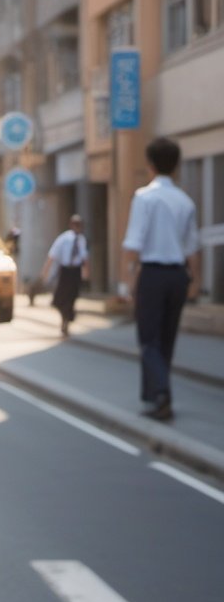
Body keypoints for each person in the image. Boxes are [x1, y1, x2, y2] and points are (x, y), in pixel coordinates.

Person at [122, 137, 201, 422]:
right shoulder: (185, 200)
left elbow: (133, 244)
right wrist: (194, 282)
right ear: (177, 165)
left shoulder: (144, 197)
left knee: (148, 339)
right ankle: (157, 397)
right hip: (178, 275)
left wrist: (127, 282)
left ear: (150, 164)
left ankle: (160, 394)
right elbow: (193, 247)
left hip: (153, 274)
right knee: (167, 338)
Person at [41, 214, 89, 335]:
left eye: (79, 225)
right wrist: (45, 272)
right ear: (71, 225)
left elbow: (84, 258)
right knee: (60, 298)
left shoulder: (81, 239)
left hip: (76, 271)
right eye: (75, 224)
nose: (77, 227)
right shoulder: (63, 238)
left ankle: (68, 318)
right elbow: (52, 255)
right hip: (65, 270)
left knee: (72, 296)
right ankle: (65, 316)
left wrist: (86, 272)